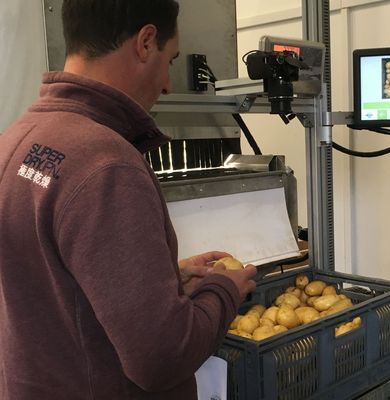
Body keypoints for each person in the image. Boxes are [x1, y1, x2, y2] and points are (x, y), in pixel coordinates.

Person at [0, 0, 257, 399]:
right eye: (170, 61)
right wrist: (224, 290)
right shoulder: (105, 164)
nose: (168, 84)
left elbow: (52, 291)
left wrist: (163, 279)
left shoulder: (17, 138)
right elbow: (162, 359)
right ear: (146, 42)